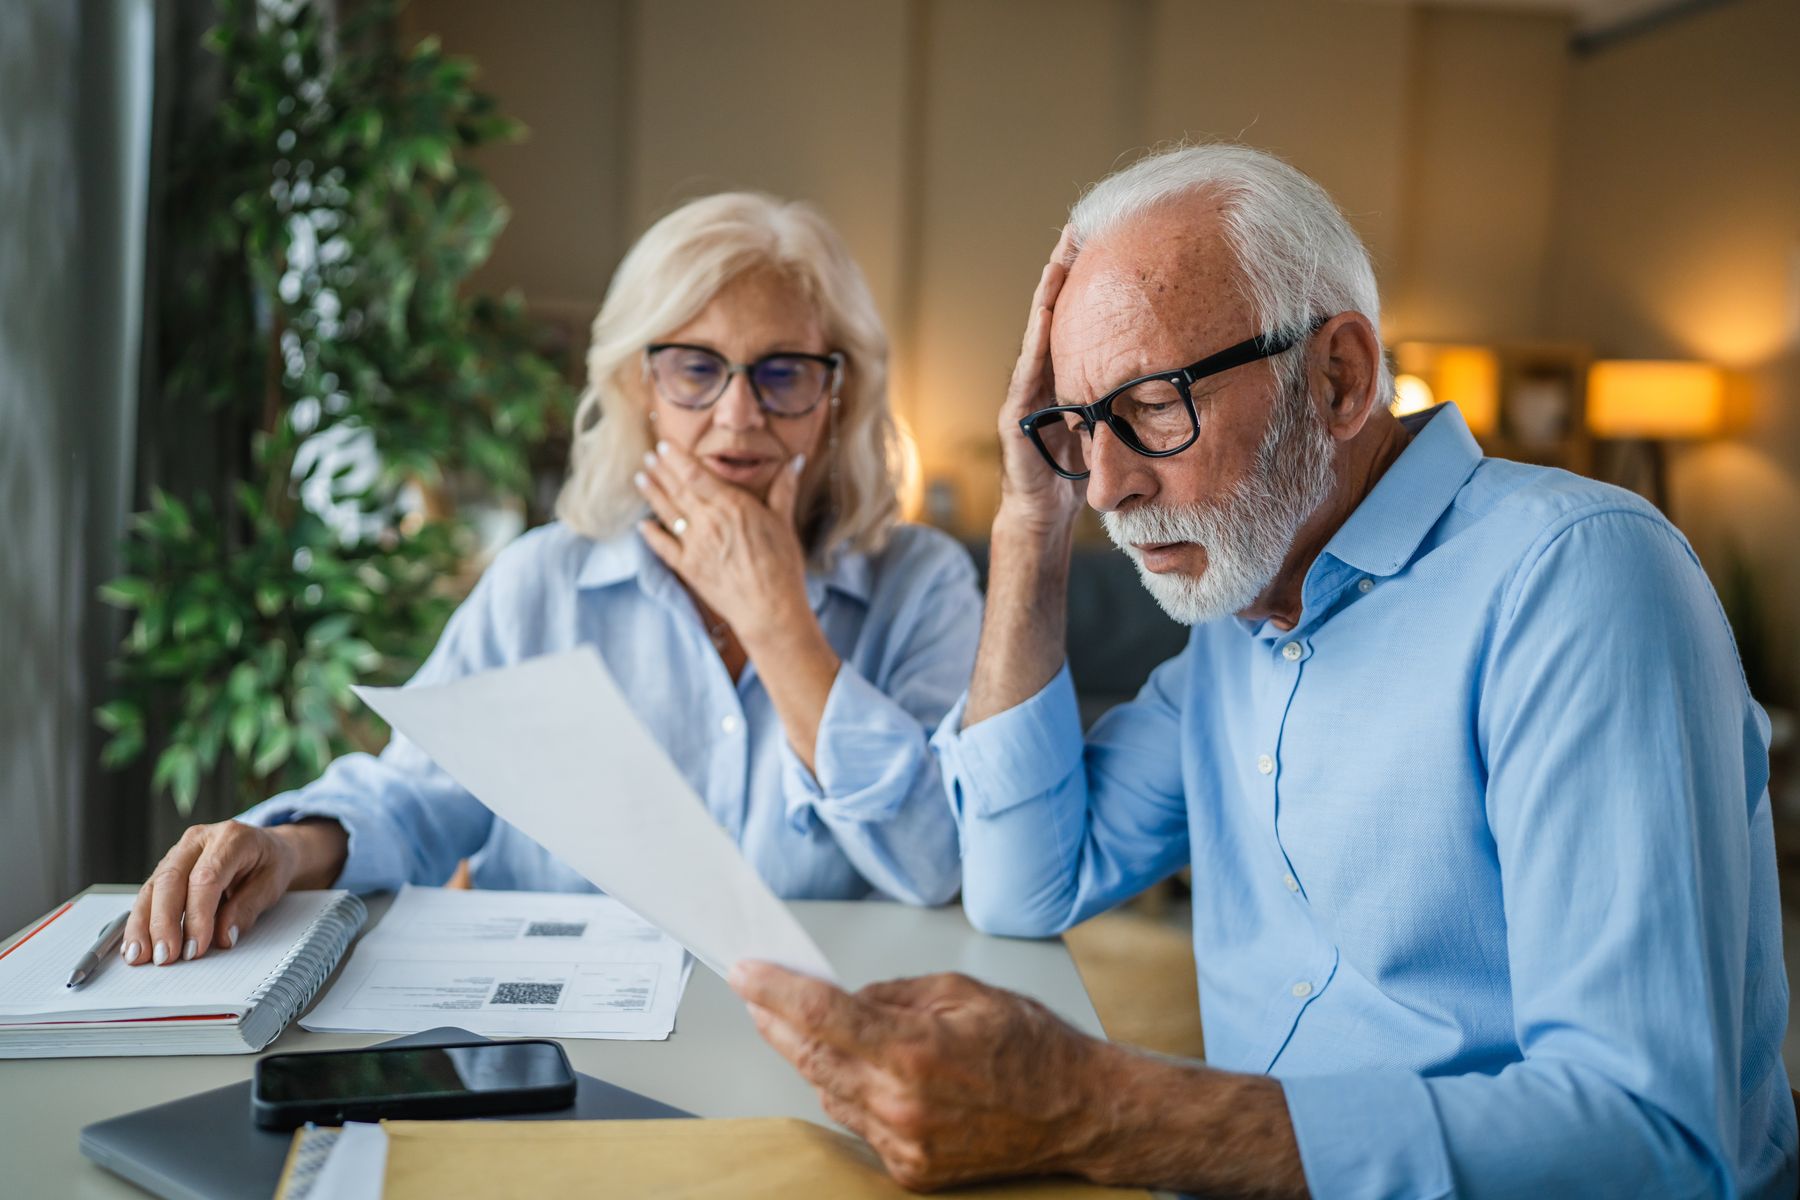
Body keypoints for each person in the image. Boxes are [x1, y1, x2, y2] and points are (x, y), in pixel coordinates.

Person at [730, 145, 1797, 1198]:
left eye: (1152, 404)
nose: (1104, 486)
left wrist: (1098, 1108)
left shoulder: (1576, 578)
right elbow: (1023, 882)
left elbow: (1650, 1139)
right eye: (1080, 425)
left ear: (1339, 377)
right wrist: (1027, 516)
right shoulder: (1241, 618)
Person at [124, 192, 982, 970]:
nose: (737, 416)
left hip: (824, 1040)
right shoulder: (543, 581)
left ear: (838, 394)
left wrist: (778, 624)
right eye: (696, 368)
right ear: (641, 387)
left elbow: (934, 863)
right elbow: (417, 798)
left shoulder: (921, 583)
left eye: (782, 373)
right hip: (565, 1038)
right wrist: (286, 848)